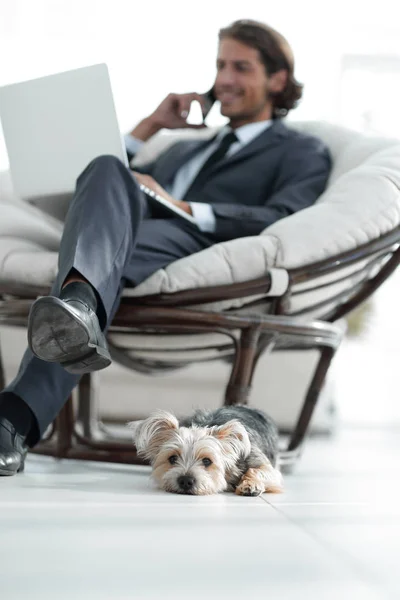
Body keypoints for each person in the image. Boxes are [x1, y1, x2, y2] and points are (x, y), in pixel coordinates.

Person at [0, 19, 331, 476]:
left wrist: (184, 207)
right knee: (105, 165)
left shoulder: (300, 150)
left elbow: (284, 214)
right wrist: (151, 125)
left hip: (191, 237)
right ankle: (78, 308)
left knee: (99, 255)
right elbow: (99, 183)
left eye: (241, 67)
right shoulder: (181, 149)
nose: (225, 80)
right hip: (120, 233)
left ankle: (19, 408)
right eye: (219, 66)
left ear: (277, 80)